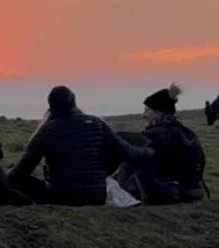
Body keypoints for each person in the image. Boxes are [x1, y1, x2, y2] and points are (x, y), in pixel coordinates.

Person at [8, 85, 146, 206]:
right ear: (74, 102)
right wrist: (153, 153)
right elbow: (128, 152)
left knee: (20, 181)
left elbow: (22, 170)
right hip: (97, 196)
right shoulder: (96, 123)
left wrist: (1, 181)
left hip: (61, 197)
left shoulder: (46, 130)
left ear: (50, 106)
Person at [118, 84, 207, 204]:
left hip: (168, 195)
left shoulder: (154, 136)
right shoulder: (188, 133)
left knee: (130, 162)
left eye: (147, 111)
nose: (143, 115)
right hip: (194, 193)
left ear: (158, 113)